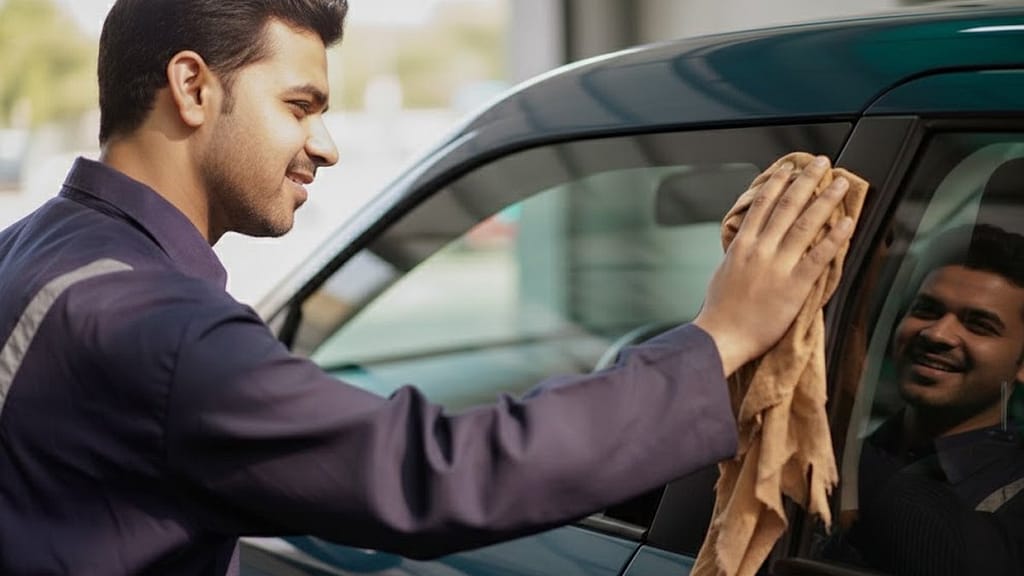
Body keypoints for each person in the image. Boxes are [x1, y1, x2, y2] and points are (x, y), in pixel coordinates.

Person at [0, 1, 854, 574]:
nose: (326, 144)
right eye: (299, 105)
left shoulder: (29, 253)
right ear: (192, 87)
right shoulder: (166, 330)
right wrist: (719, 340)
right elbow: (439, 473)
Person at [826, 224, 1024, 576]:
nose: (937, 334)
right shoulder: (855, 451)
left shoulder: (1015, 490)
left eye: (979, 325)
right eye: (927, 310)